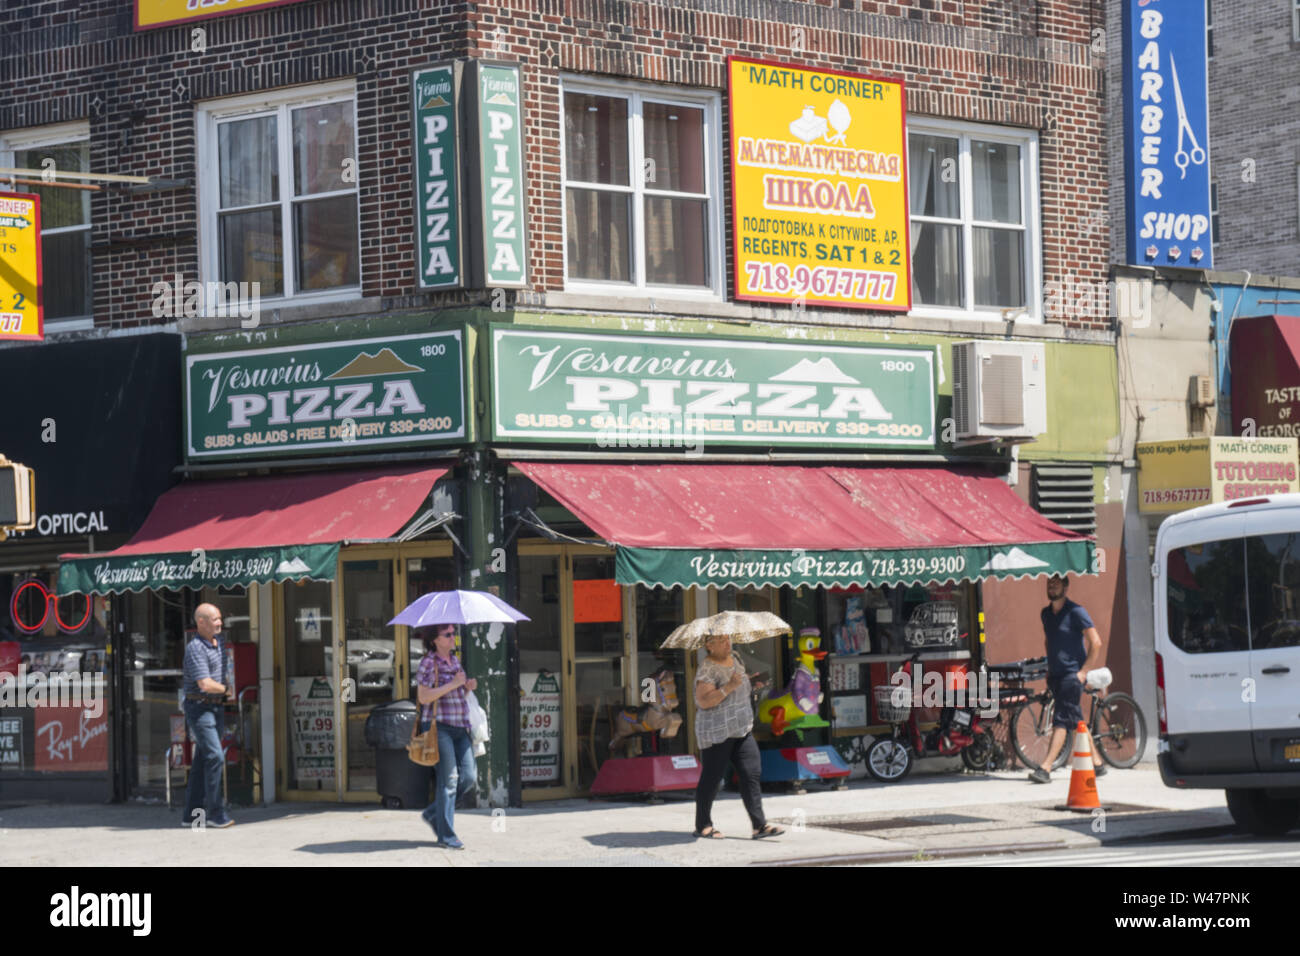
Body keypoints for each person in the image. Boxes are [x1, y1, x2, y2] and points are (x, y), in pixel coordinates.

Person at [692, 632, 784, 840]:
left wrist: (751, 684)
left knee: (751, 772)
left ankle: (759, 825)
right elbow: (703, 701)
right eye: (721, 640)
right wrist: (729, 687)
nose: (727, 643)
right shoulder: (707, 667)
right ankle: (703, 825)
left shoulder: (736, 657)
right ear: (709, 645)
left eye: (728, 639)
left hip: (741, 728)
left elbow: (739, 684)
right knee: (712, 778)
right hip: (718, 731)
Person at [1029, 574, 1107, 783]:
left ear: (1065, 586)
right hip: (1055, 674)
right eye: (1049, 583)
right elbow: (1049, 641)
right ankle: (1098, 764)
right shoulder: (1046, 614)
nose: (1052, 587)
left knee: (1061, 720)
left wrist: (1083, 672)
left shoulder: (1076, 612)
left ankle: (1045, 768)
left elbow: (1096, 642)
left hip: (1072, 676)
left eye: (1056, 583)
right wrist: (1049, 666)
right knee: (1076, 719)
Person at [415, 623, 478, 849]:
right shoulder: (428, 663)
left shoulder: (455, 661)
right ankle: (447, 837)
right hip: (438, 726)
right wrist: (453, 684)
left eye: (454, 633)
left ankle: (434, 813)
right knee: (449, 780)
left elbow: (459, 692)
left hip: (461, 726)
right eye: (448, 634)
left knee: (469, 777)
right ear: (435, 640)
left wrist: (468, 687)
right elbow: (423, 698)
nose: (453, 638)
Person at [181, 603, 234, 827]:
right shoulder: (195, 648)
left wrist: (223, 692)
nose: (219, 623)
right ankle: (215, 813)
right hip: (200, 707)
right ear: (201, 622)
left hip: (216, 707)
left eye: (220, 618)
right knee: (215, 757)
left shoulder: (219, 644)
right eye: (214, 619)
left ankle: (191, 817)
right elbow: (204, 683)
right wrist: (226, 690)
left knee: (202, 761)